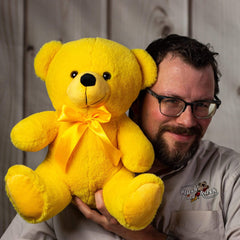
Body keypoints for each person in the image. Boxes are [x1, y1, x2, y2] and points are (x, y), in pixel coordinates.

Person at [1, 34, 240, 240]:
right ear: (136, 102)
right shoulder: (70, 169)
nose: (187, 121)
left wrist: (142, 235)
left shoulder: (229, 175)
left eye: (202, 105)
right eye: (171, 102)